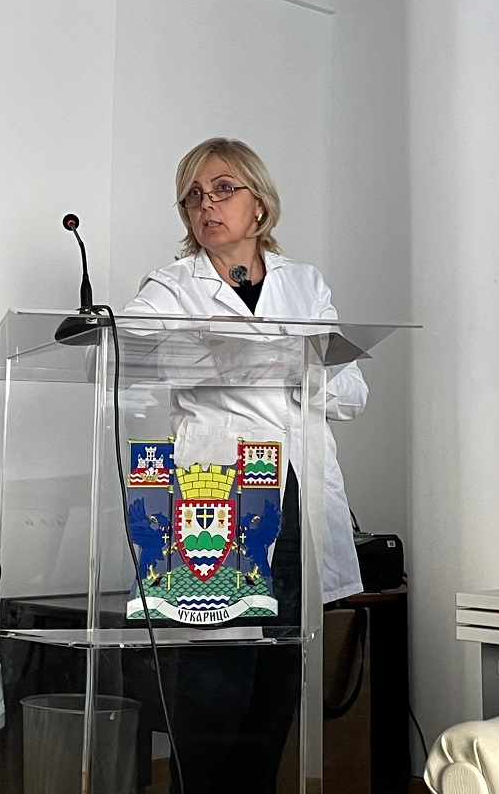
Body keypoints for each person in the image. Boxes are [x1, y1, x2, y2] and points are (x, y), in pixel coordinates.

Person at [122, 137, 367, 794]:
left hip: (297, 493)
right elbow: (132, 354)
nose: (207, 204)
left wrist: (289, 367)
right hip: (221, 493)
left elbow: (352, 394)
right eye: (194, 196)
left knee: (280, 675)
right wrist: (269, 359)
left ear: (259, 202)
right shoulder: (172, 286)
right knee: (217, 678)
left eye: (223, 188)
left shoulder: (304, 283)